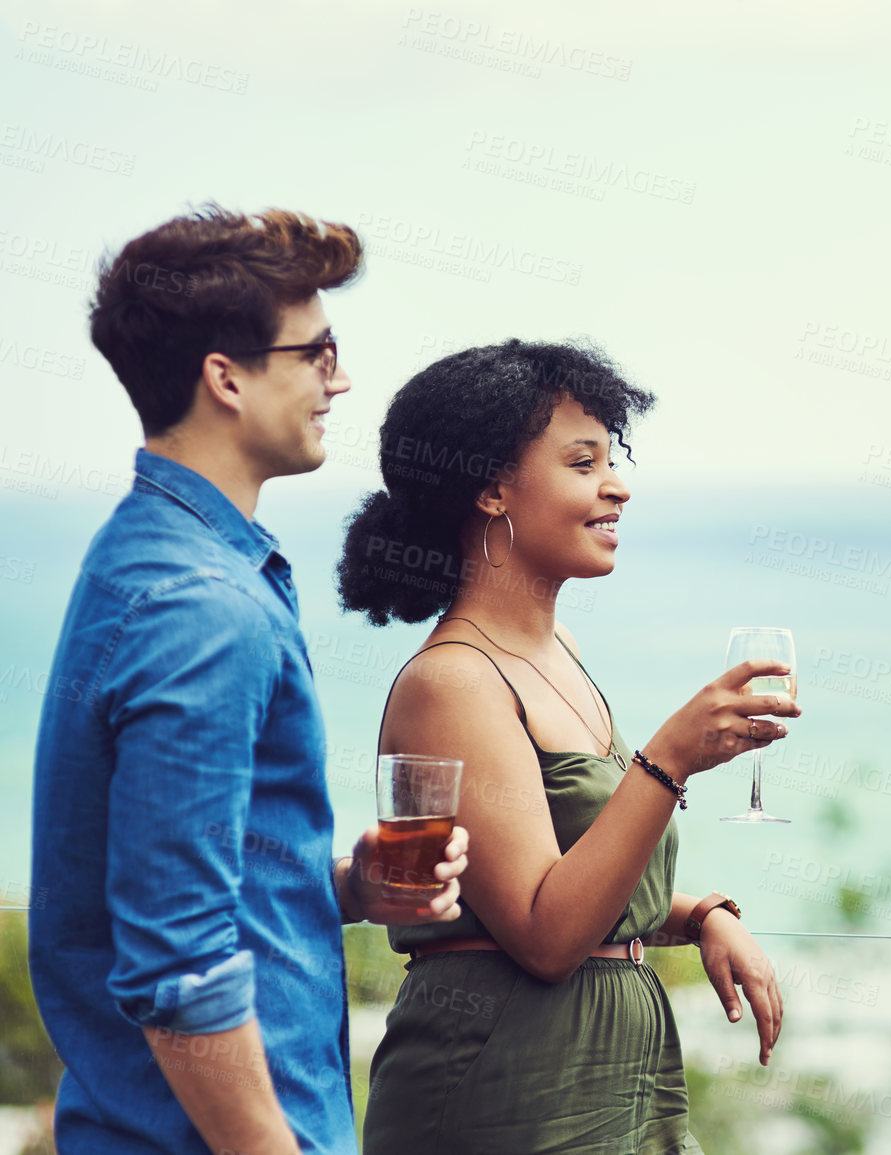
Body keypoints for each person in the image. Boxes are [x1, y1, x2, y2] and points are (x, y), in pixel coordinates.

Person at [29, 206, 469, 1155]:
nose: (339, 378)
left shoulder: (147, 557)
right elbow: (177, 968)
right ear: (225, 377)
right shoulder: (201, 605)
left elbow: (164, 877)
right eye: (317, 351)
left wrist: (347, 887)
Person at [336, 338, 792, 1153]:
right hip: (504, 1080)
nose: (616, 485)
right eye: (583, 463)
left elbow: (558, 875)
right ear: (490, 488)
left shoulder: (561, 651)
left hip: (611, 1068)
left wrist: (697, 915)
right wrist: (668, 759)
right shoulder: (453, 683)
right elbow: (545, 934)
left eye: (611, 460)